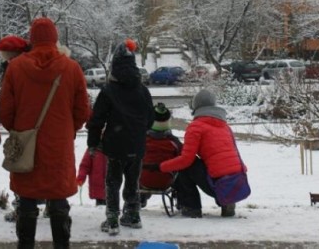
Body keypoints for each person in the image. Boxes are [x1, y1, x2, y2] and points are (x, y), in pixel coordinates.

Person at [0, 17, 90, 249]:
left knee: (27, 198)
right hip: (58, 144)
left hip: (26, 143)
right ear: (55, 38)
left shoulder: (16, 68)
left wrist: (19, 131)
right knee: (58, 197)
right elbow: (82, 110)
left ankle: (25, 244)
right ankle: (62, 244)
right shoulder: (71, 68)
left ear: (32, 38)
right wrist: (67, 129)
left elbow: (5, 111)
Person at [86, 39, 154, 236]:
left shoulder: (108, 91)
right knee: (133, 180)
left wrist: (93, 143)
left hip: (115, 145)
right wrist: (139, 132)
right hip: (137, 145)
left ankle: (112, 218)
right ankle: (133, 214)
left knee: (113, 181)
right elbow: (150, 118)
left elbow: (96, 120)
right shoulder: (143, 90)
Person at [144, 89, 245, 219]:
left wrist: (160, 166)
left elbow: (185, 160)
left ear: (196, 105)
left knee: (185, 166)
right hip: (237, 181)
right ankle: (227, 201)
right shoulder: (225, 126)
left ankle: (191, 207)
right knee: (209, 162)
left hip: (217, 184)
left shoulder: (196, 127)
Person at [0, 35, 29, 223]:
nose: (5, 59)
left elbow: (4, 99)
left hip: (20, 126)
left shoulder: (15, 68)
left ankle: (23, 208)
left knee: (19, 167)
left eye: (7, 55)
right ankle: (49, 205)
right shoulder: (22, 65)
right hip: (32, 124)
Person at [139, 103, 183, 208]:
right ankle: (181, 200)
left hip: (143, 179)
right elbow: (183, 157)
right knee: (181, 168)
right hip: (166, 180)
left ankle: (140, 198)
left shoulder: (141, 140)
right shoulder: (173, 142)